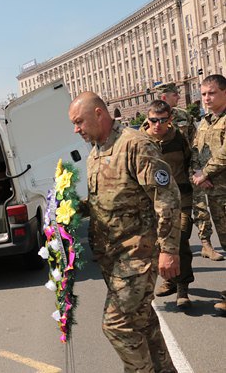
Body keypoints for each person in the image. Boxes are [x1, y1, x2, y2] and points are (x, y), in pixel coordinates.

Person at [69, 92, 180, 372]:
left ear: (98, 114)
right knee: (143, 322)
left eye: (79, 121)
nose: (76, 129)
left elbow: (166, 197)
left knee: (117, 324)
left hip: (137, 254)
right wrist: (71, 209)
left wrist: (169, 250)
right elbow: (104, 200)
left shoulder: (135, 145)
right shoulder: (96, 153)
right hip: (112, 257)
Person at [156, 83, 221, 260]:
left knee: (200, 206)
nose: (178, 97)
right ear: (164, 97)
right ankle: (167, 248)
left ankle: (206, 244)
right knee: (166, 211)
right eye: (175, 94)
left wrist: (199, 168)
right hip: (166, 174)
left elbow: (195, 141)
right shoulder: (153, 118)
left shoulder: (183, 115)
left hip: (189, 168)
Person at [142, 100, 194, 308]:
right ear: (147, 119)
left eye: (163, 120)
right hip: (154, 202)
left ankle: (183, 288)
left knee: (180, 239)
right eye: (153, 120)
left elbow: (190, 161)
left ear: (170, 119)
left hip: (181, 198)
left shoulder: (178, 138)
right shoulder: (140, 141)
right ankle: (170, 280)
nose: (158, 125)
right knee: (159, 242)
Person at [191, 74, 226, 315]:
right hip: (214, 193)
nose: (206, 98)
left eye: (211, 93)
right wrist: (197, 172)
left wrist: (205, 173)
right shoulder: (205, 122)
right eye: (203, 94)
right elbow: (196, 149)